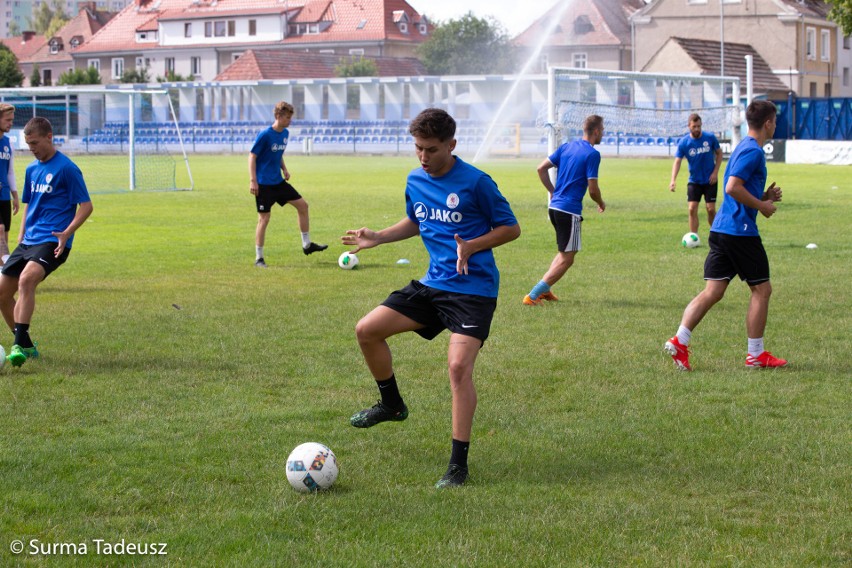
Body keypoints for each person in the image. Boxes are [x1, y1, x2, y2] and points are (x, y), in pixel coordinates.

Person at [342, 108, 520, 489]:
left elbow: (511, 227)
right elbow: (416, 220)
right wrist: (379, 237)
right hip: (432, 285)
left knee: (458, 368)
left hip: (473, 290)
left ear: (452, 145)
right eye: (418, 148)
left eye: (432, 150)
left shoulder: (477, 182)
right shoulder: (415, 178)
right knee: (367, 330)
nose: (423, 157)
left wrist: (472, 245)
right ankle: (392, 404)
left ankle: (458, 467)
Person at [664, 100, 787, 371]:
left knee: (713, 291)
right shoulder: (753, 151)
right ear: (767, 123)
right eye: (775, 121)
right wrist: (763, 206)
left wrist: (763, 195)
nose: (775, 125)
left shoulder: (744, 146)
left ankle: (679, 340)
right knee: (761, 289)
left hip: (722, 229)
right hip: (739, 232)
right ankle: (755, 355)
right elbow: (732, 187)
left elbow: (739, 188)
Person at [0, 117, 93, 367]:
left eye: (35, 143)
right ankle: (27, 344)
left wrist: (67, 232)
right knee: (2, 293)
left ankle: (18, 344)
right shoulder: (31, 169)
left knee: (27, 279)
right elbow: (31, 205)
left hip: (54, 240)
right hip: (29, 240)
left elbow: (86, 206)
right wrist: (20, 236)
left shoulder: (67, 169)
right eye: (28, 144)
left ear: (49, 137)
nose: (32, 148)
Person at [523, 115, 606, 306]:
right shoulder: (592, 154)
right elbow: (592, 189)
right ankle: (533, 295)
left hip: (555, 207)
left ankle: (545, 290)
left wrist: (552, 191)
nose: (603, 133)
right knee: (568, 258)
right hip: (569, 210)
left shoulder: (567, 147)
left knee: (563, 253)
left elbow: (540, 168)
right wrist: (600, 202)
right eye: (602, 130)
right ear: (596, 131)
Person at [249, 101, 326, 267]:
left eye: (290, 117)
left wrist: (284, 168)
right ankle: (259, 258)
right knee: (264, 219)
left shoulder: (285, 134)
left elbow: (277, 154)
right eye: (287, 117)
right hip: (263, 184)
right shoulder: (265, 135)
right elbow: (252, 156)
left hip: (278, 182)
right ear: (278, 116)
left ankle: (307, 245)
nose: (290, 120)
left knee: (303, 206)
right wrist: (253, 180)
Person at [669, 113, 722, 235]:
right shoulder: (684, 143)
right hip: (694, 181)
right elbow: (677, 161)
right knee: (692, 209)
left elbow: (719, 154)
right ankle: (693, 237)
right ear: (689, 126)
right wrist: (673, 180)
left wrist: (715, 172)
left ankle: (716, 236)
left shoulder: (710, 138)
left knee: (711, 209)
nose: (697, 129)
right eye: (694, 126)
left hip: (710, 180)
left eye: (699, 126)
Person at [0, 103, 21, 264]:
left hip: (4, 195)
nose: (11, 123)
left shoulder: (8, 143)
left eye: (12, 120)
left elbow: (10, 171)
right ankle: (5, 270)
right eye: (8, 120)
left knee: (5, 235)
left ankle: (2, 275)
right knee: (0, 231)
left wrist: (14, 195)